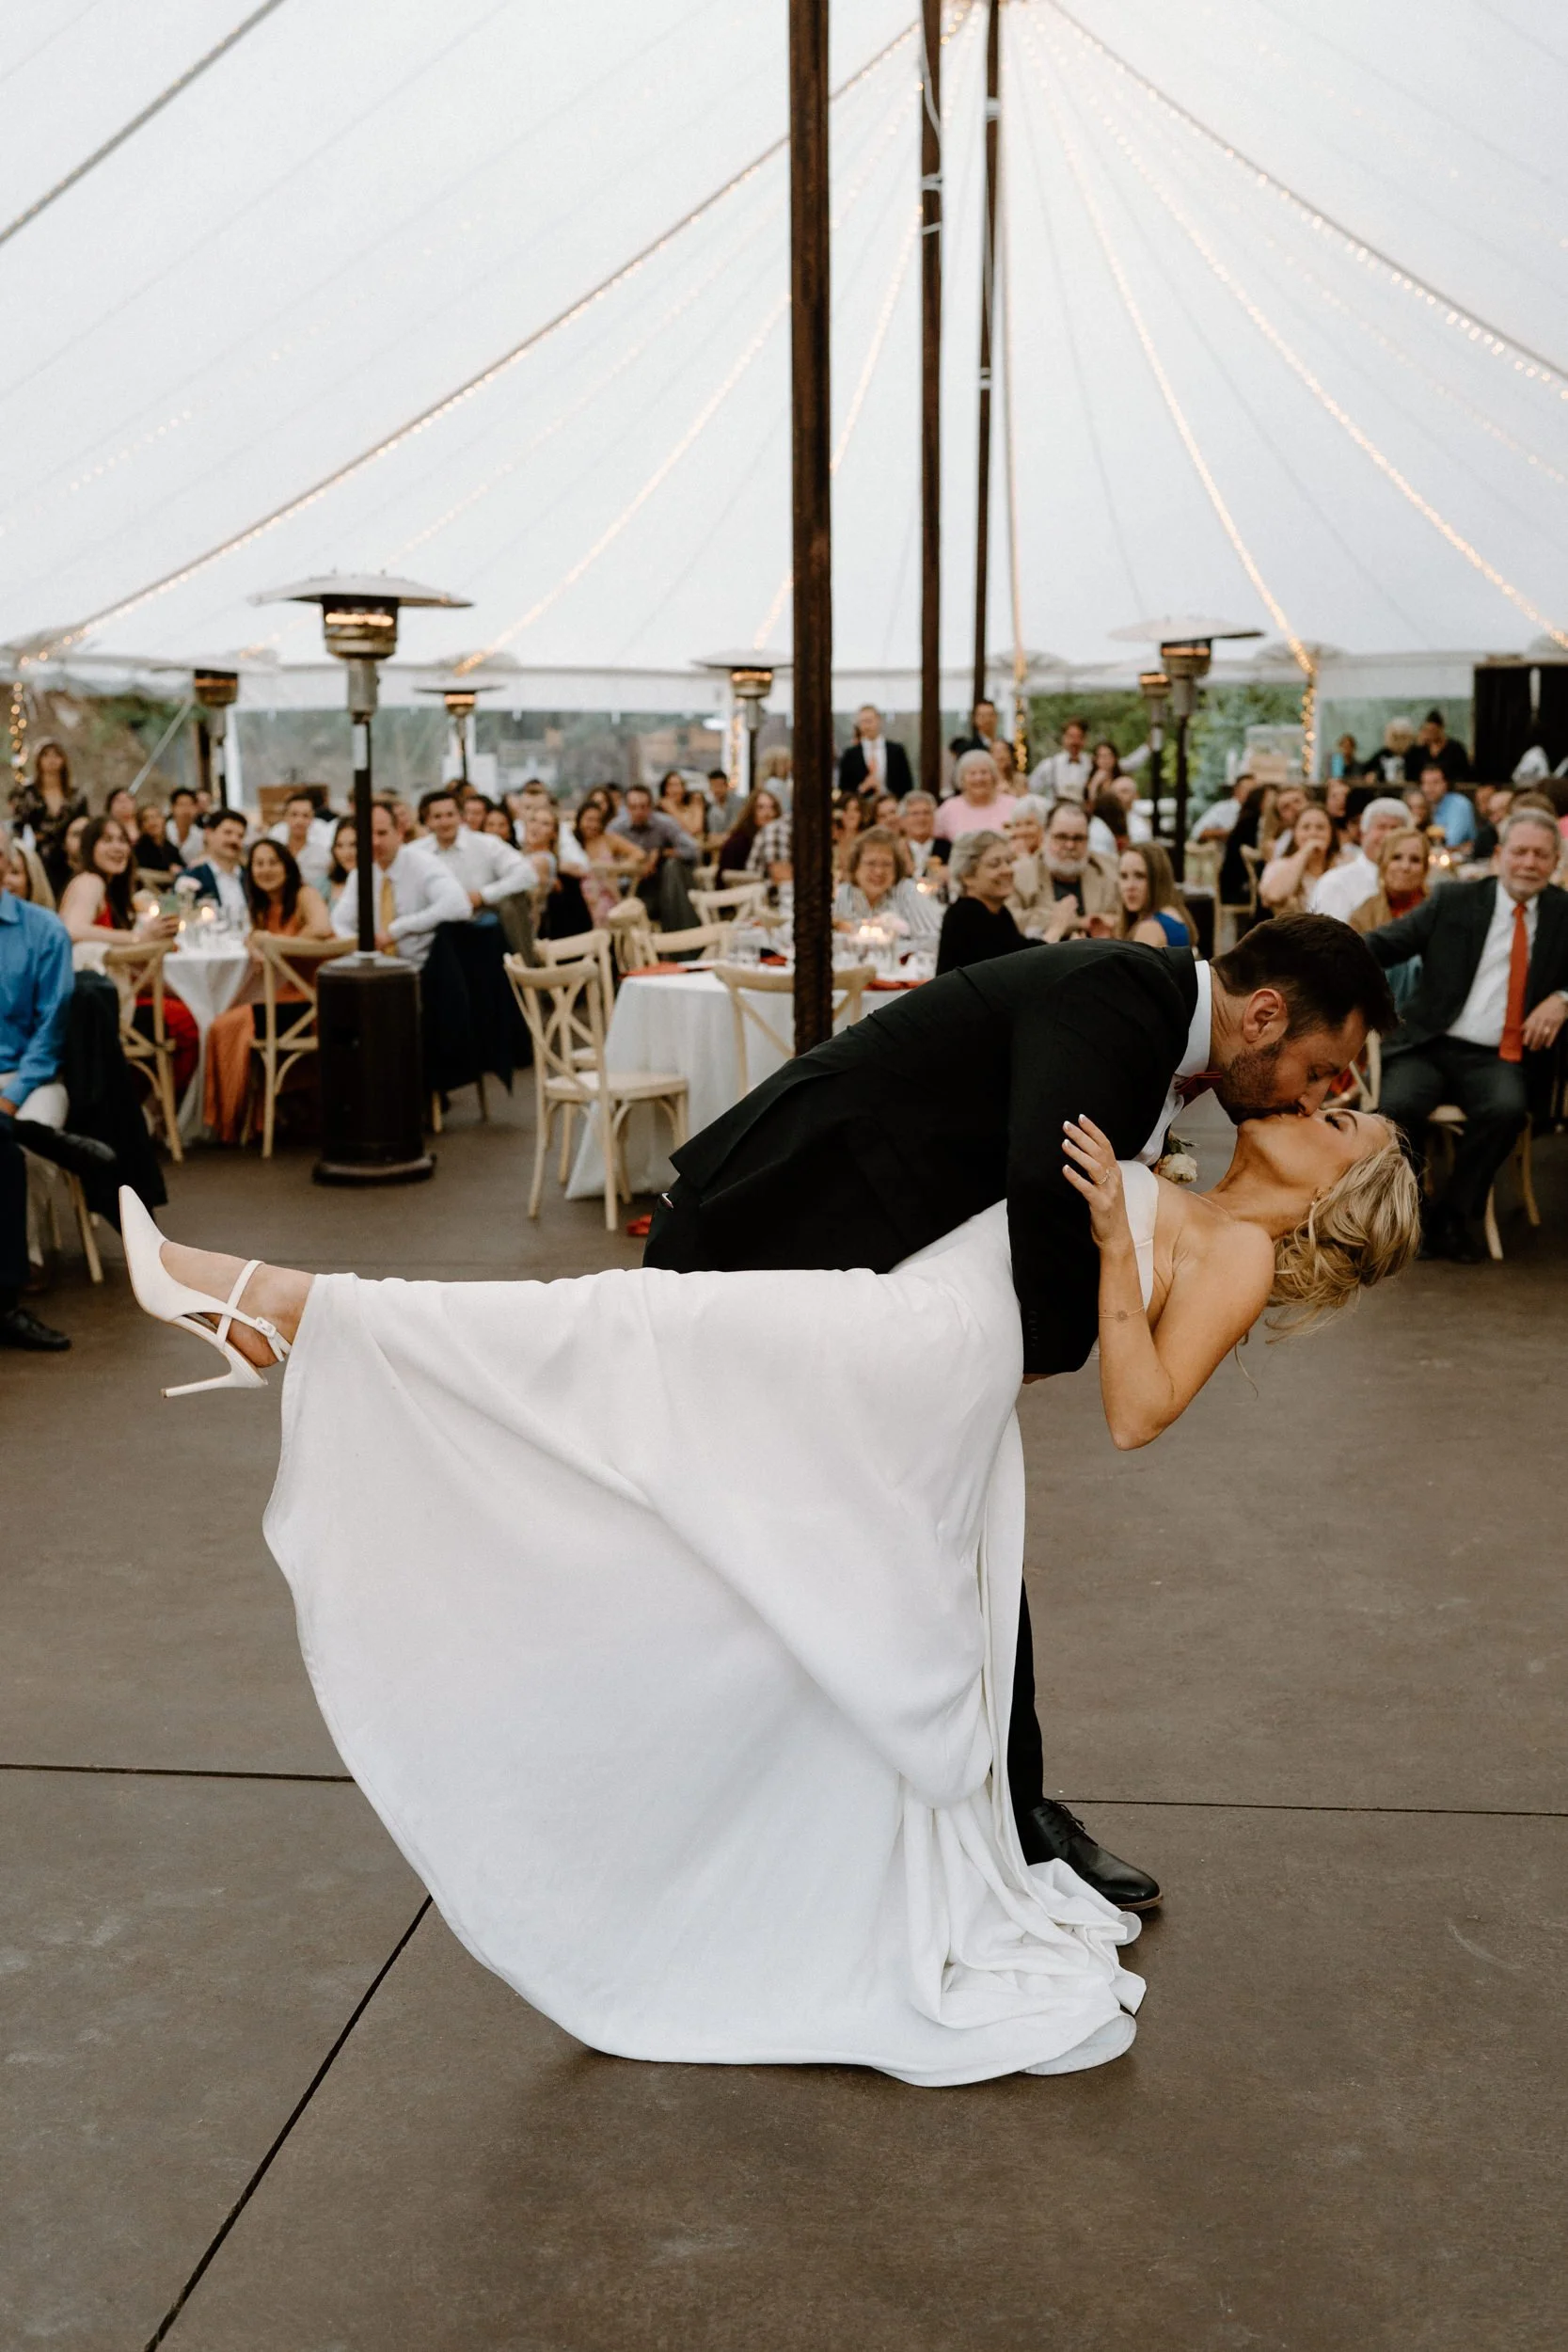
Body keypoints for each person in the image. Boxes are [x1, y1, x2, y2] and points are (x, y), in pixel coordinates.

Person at [118, 1062, 1415, 2085]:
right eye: (1334, 1095)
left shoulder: (1240, 1250)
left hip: (912, 1347)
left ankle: (280, 1304)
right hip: (912, 1330)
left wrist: (1115, 1250)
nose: (1324, 1104)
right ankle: (287, 1315)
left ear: (1338, 1191)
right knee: (646, 1387)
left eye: (1343, 1121)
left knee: (628, 1333)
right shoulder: (1181, 1159)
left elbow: (1136, 1411)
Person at [645, 914, 1398, 1907]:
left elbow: (1130, 1389)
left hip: (893, 1304)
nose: (1315, 1094)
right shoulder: (1125, 999)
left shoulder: (1196, 1143)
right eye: (1323, 1074)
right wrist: (1044, 1338)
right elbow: (1043, 1179)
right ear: (1262, 1015)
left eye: (1335, 1105)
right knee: (826, 1546)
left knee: (939, 1558)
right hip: (767, 1231)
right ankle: (948, 1808)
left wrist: (1064, 1309)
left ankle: (973, 1810)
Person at [1364, 806, 1568, 1262]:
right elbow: (1382, 945)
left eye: (1540, 855)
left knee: (1506, 1110)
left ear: (1556, 862)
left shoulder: (1563, 913)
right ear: (1499, 855)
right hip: (1428, 1043)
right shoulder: (1454, 900)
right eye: (1519, 852)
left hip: (1498, 1055)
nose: (1529, 863)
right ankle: (1412, 1212)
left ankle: (1453, 1217)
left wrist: (1563, 997)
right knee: (1398, 1108)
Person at [204, 840, 335, 1143]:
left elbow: (321, 928)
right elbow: (255, 937)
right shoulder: (263, 908)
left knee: (224, 1026)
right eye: (259, 864)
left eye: (273, 862)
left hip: (313, 1003)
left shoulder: (305, 894)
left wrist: (274, 944)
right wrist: (254, 941)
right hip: (283, 996)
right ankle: (250, 1119)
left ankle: (232, 1122)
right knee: (222, 1021)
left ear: (287, 867)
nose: (266, 870)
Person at [59, 818, 198, 1096]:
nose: (118, 848)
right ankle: (157, 1107)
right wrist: (139, 938)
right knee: (189, 1021)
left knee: (189, 1002)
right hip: (104, 1007)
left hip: (113, 995)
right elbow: (72, 930)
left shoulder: (109, 889)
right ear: (89, 847)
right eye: (107, 840)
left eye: (122, 840)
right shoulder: (89, 882)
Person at [329, 802, 469, 966]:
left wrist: (397, 930)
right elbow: (340, 921)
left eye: (382, 833)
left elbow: (458, 905)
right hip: (375, 968)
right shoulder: (361, 873)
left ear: (399, 833)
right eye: (369, 834)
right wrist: (361, 944)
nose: (375, 842)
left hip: (423, 969)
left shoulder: (422, 864)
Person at [1349, 827, 1430, 1012]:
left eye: (1415, 860)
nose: (1405, 867)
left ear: (1425, 869)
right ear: (1383, 864)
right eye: (1396, 858)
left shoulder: (1440, 909)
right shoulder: (1363, 914)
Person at [610, 783, 701, 928]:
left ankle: (680, 934)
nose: (639, 812)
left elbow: (693, 849)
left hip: (661, 883)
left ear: (650, 807)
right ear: (626, 808)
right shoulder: (616, 828)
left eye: (643, 807)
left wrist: (662, 853)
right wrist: (636, 865)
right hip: (628, 886)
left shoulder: (664, 823)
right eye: (633, 807)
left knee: (672, 869)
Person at [1307, 796, 1410, 923]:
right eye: (1381, 827)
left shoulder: (1417, 883)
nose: (1388, 835)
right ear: (1363, 834)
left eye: (1395, 828)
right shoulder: (1336, 882)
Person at [936, 833, 1027, 974]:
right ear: (967, 876)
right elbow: (1015, 965)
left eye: (1008, 862)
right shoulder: (966, 916)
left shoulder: (1000, 913)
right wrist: (1056, 929)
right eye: (995, 864)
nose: (1007, 870)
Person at [9, 739, 87, 898]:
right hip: (40, 857)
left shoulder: (76, 795)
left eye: (56, 755)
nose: (52, 760)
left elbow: (84, 825)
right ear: (38, 760)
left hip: (71, 857)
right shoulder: (27, 793)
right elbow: (17, 827)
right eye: (46, 755)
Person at [832, 827, 940, 942]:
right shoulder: (842, 895)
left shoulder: (907, 891)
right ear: (856, 867)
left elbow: (935, 938)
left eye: (886, 864)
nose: (879, 871)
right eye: (871, 863)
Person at [1259, 804, 1339, 915]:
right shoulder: (1279, 865)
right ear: (1294, 833)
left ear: (1331, 833)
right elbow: (1274, 896)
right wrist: (1305, 852)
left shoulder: (1344, 863)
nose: (1313, 833)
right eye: (1306, 827)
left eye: (1320, 827)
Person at [574, 797, 644, 925]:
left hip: (607, 896)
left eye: (597, 821)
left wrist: (616, 868)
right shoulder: (572, 842)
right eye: (589, 820)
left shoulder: (608, 839)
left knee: (603, 909)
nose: (593, 825)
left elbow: (639, 854)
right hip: (578, 898)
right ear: (579, 820)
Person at [1116, 843, 1194, 947]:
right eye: (1124, 876)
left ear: (1158, 880)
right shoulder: (1175, 914)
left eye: (1140, 876)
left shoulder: (1149, 928)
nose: (1130, 886)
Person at [182, 809, 251, 922]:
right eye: (228, 833)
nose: (234, 840)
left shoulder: (250, 877)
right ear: (208, 834)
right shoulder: (192, 877)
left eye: (240, 836)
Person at [934, 750, 1016, 843]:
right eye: (972, 773)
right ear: (962, 780)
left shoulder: (1012, 805)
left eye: (984, 772)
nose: (979, 778)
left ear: (993, 777)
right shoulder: (950, 808)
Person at [839, 704, 912, 801]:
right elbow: (844, 789)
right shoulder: (850, 754)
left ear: (878, 720)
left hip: (892, 805)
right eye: (862, 722)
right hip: (862, 805)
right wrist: (862, 788)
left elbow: (906, 785)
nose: (867, 726)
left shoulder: (896, 751)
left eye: (869, 721)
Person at [268, 789, 336, 889]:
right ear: (285, 817)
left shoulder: (323, 855)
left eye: (305, 815)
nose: (299, 821)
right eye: (294, 814)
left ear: (312, 819)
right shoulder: (274, 851)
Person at [716, 787, 778, 881]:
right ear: (751, 812)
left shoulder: (779, 839)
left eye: (771, 807)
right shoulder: (737, 843)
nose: (767, 813)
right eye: (761, 807)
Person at [1028, 717, 1092, 803]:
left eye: (1079, 737)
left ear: (1084, 740)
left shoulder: (1091, 764)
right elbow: (1030, 788)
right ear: (1063, 738)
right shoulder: (1050, 765)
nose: (1075, 741)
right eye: (1071, 736)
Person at [1417, 762, 1477, 850]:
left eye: (1435, 782)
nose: (1429, 788)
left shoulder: (1459, 804)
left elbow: (1452, 842)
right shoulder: (1425, 805)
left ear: (1445, 784)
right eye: (1425, 783)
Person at [895, 790, 947, 884]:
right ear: (903, 820)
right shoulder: (896, 850)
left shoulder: (948, 848)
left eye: (926, 813)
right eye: (915, 813)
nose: (921, 818)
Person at [1415, 708, 1472, 786]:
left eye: (1433, 730)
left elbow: (1465, 774)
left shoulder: (1456, 748)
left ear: (1441, 728)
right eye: (1428, 730)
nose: (1431, 734)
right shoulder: (1420, 750)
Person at [133, 801, 182, 877]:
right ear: (141, 826)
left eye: (156, 816)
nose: (152, 822)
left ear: (163, 820)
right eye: (146, 819)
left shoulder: (172, 849)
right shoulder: (138, 851)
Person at [947, 696, 1001, 763]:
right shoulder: (968, 749)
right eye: (982, 716)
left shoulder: (1005, 747)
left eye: (990, 715)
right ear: (974, 719)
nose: (987, 720)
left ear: (996, 717)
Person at [165, 785, 206, 868]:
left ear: (196, 809)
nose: (186, 810)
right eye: (181, 805)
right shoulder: (163, 831)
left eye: (190, 805)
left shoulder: (201, 836)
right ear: (172, 808)